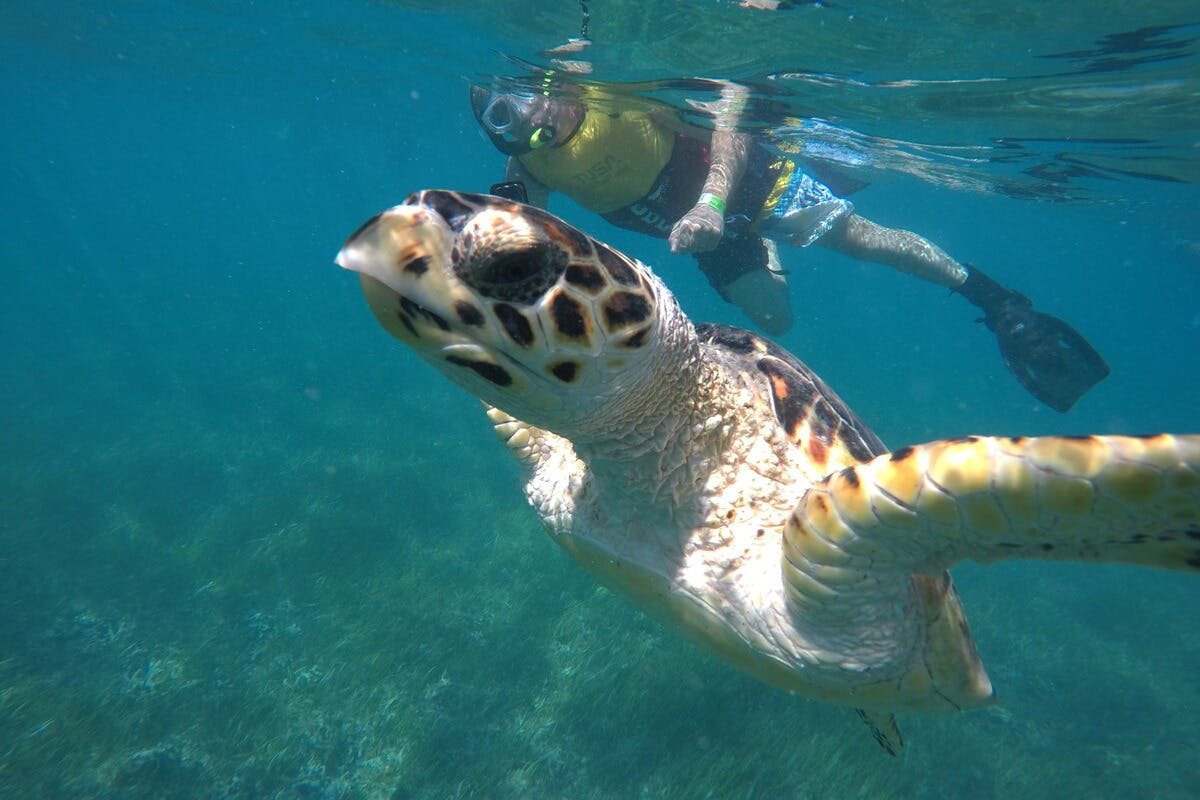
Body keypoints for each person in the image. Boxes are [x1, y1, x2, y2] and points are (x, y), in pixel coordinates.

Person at [468, 76, 1110, 412]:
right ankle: (770, 240)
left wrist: (714, 203)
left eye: (526, 106)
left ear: (555, 91)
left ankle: (996, 299)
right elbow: (531, 228)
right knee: (777, 318)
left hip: (746, 184)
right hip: (698, 235)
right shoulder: (529, 164)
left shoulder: (618, 100)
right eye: (502, 119)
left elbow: (728, 118)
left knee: (862, 239)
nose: (526, 125)